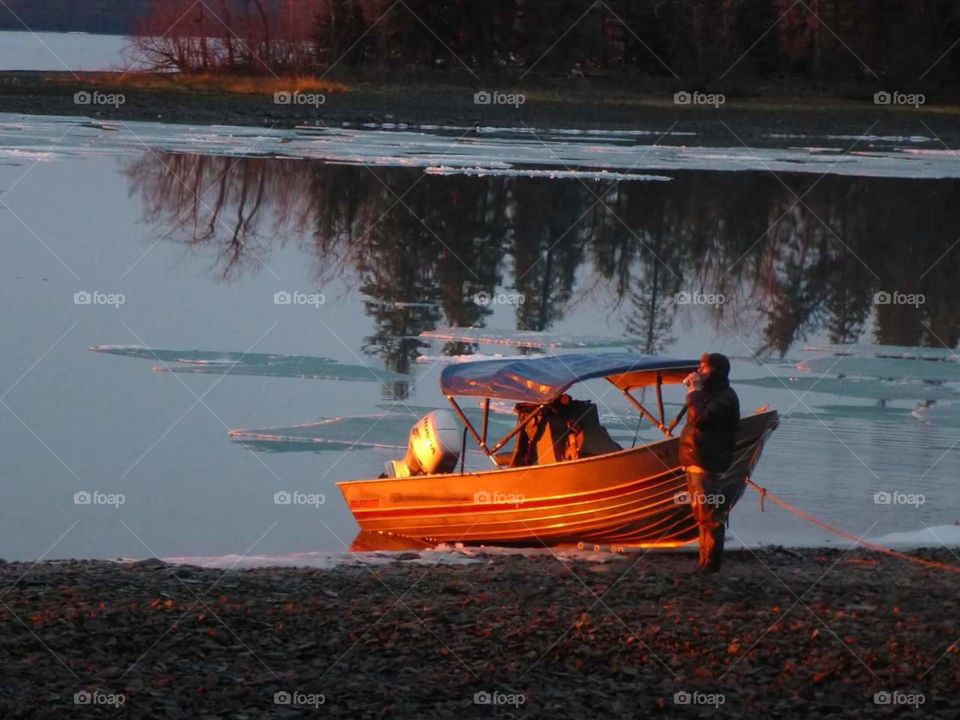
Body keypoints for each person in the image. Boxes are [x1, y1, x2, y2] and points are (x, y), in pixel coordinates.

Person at [680, 353, 740, 574]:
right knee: (700, 514)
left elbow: (699, 419)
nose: (700, 372)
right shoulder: (708, 394)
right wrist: (695, 391)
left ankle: (711, 565)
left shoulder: (725, 397)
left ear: (716, 371)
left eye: (704, 368)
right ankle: (704, 560)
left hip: (708, 461)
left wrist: (693, 392)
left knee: (710, 515)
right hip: (695, 460)